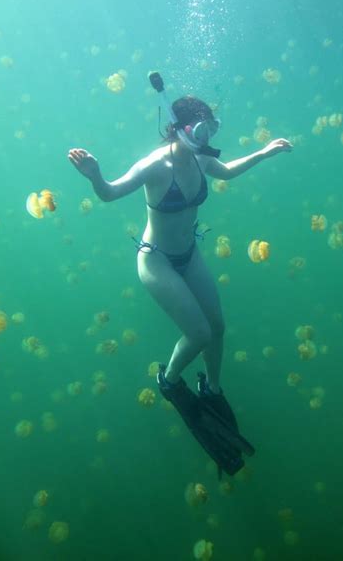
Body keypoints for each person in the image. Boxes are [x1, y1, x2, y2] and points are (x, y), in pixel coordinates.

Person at [68, 88, 293, 475]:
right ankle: (169, 381)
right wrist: (94, 175)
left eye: (211, 130)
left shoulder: (203, 160)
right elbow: (110, 194)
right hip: (156, 261)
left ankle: (213, 389)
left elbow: (230, 171)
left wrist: (264, 152)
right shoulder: (155, 165)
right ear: (180, 128)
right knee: (200, 333)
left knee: (218, 326)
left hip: (190, 255)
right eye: (202, 130)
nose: (208, 139)